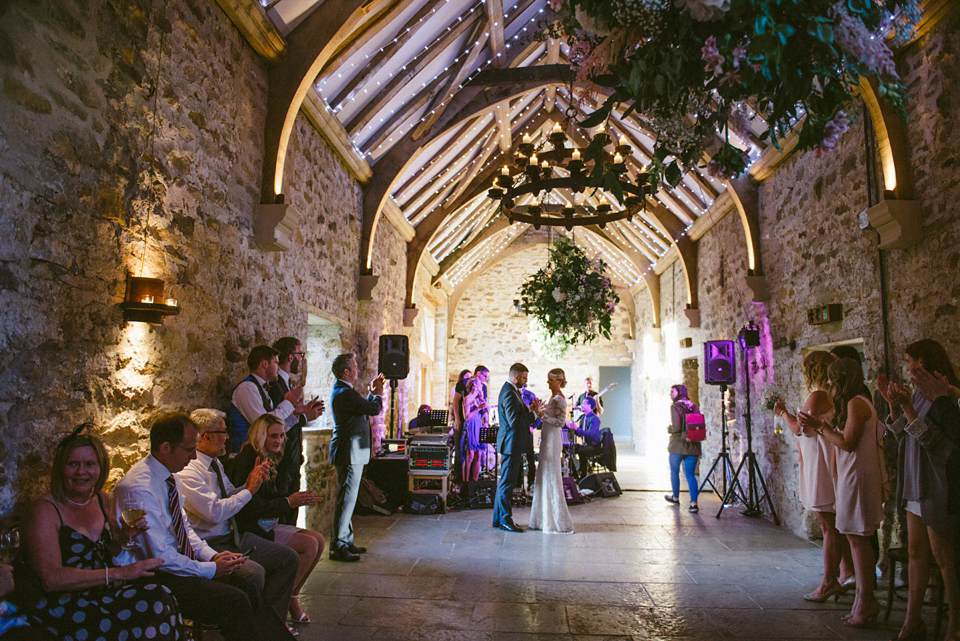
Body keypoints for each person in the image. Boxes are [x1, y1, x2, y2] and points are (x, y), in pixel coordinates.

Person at [114, 412, 294, 640]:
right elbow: (159, 556)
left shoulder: (169, 474)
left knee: (246, 587)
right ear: (166, 448)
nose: (193, 457)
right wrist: (210, 569)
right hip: (154, 576)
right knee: (235, 599)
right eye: (189, 450)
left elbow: (184, 528)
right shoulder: (141, 488)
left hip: (180, 562)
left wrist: (211, 557)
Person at [19, 425, 187, 640]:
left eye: (90, 464)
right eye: (73, 464)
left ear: (101, 468)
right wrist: (120, 573)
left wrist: (125, 537)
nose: (82, 472)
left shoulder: (100, 498)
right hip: (64, 603)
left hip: (102, 593)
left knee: (160, 596)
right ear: (61, 468)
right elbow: (52, 580)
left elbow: (107, 551)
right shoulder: (44, 511)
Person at [176, 409, 300, 631]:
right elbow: (214, 513)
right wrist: (250, 492)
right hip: (211, 542)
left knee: (288, 558)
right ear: (207, 437)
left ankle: (268, 626)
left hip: (231, 536)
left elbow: (231, 493)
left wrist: (251, 483)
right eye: (223, 432)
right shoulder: (189, 471)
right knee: (253, 573)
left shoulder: (215, 463)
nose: (228, 438)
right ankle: (249, 629)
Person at [878, 339, 960, 641]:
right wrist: (894, 405)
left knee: (944, 556)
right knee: (915, 552)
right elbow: (903, 436)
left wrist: (909, 407)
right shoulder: (917, 396)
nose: (908, 366)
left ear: (923, 363)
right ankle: (912, 622)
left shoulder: (945, 395)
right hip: (915, 481)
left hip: (936, 482)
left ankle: (955, 622)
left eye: (911, 361)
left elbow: (936, 443)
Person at [800, 358, 885, 628]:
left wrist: (821, 427)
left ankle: (866, 600)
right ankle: (862, 600)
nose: (830, 386)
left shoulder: (856, 403)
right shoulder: (855, 402)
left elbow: (848, 443)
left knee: (858, 538)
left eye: (832, 380)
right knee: (853, 536)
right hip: (854, 474)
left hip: (857, 476)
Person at [227, 415, 325, 625]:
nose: (279, 441)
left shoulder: (272, 459)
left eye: (282, 436)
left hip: (267, 522)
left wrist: (296, 499)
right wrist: (288, 503)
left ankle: (291, 595)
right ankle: (277, 610)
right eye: (273, 436)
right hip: (252, 528)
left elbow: (278, 495)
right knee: (309, 545)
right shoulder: (248, 460)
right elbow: (251, 507)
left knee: (319, 540)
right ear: (260, 436)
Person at [775, 351, 854, 601]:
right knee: (834, 523)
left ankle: (828, 582)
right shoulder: (832, 396)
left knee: (828, 525)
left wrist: (782, 413)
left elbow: (800, 428)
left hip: (821, 464)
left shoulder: (818, 395)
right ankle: (847, 572)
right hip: (823, 460)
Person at [329, 353, 385, 561]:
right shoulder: (344, 393)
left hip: (351, 451)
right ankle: (339, 545)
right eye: (354, 367)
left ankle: (346, 540)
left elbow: (363, 408)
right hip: (348, 451)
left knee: (349, 499)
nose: (358, 370)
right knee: (346, 499)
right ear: (346, 371)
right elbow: (373, 409)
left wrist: (371, 394)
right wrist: (378, 394)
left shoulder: (346, 392)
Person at [269, 337, 324, 526]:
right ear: (291, 357)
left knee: (292, 513)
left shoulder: (286, 384)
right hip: (282, 459)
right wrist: (304, 416)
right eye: (301, 354)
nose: (302, 360)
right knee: (284, 512)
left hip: (291, 457)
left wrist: (306, 411)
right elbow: (275, 422)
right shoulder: (276, 386)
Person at [228, 345, 315, 454]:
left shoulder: (262, 388)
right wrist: (288, 403)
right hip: (244, 455)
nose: (279, 368)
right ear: (265, 364)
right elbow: (264, 425)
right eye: (276, 363)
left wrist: (294, 414)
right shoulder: (247, 388)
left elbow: (274, 429)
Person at [493, 363, 542, 532]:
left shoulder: (512, 391)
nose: (526, 382)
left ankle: (498, 519)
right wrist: (535, 414)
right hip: (510, 444)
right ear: (516, 377)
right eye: (524, 378)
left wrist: (530, 409)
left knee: (505, 483)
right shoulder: (509, 393)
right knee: (507, 484)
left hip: (511, 444)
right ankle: (505, 520)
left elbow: (517, 414)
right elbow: (514, 421)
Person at [529, 368, 574, 534]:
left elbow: (561, 423)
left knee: (551, 475)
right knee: (544, 474)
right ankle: (543, 517)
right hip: (547, 439)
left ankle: (555, 520)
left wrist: (541, 416)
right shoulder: (552, 398)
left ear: (559, 382)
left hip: (553, 441)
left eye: (551, 380)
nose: (548, 382)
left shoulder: (559, 399)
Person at [664, 385, 701, 513]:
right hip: (693, 444)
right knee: (690, 475)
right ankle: (693, 503)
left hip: (678, 445)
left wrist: (669, 429)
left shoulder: (675, 407)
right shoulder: (693, 405)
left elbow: (676, 426)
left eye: (672, 391)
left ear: (678, 393)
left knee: (675, 471)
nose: (670, 394)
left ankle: (675, 497)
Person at [461, 379, 487, 483]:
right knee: (470, 455)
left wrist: (485, 408)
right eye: (479, 385)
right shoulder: (468, 398)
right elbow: (467, 417)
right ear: (473, 386)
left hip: (479, 425)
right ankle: (466, 482)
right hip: (471, 425)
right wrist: (478, 408)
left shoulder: (479, 399)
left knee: (478, 455)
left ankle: (475, 481)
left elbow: (484, 414)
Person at [572, 397, 602, 481]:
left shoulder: (595, 419)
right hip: (585, 445)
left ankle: (583, 475)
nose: (581, 405)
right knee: (568, 449)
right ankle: (574, 474)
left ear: (589, 405)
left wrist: (577, 429)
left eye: (583, 404)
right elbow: (580, 433)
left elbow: (591, 434)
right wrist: (573, 429)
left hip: (594, 445)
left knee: (582, 451)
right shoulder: (583, 418)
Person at [517, 383, 540, 492]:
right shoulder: (514, 395)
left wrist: (533, 426)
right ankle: (518, 484)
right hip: (518, 430)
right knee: (518, 457)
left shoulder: (530, 395)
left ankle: (531, 482)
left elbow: (538, 413)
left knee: (530, 456)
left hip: (528, 430)